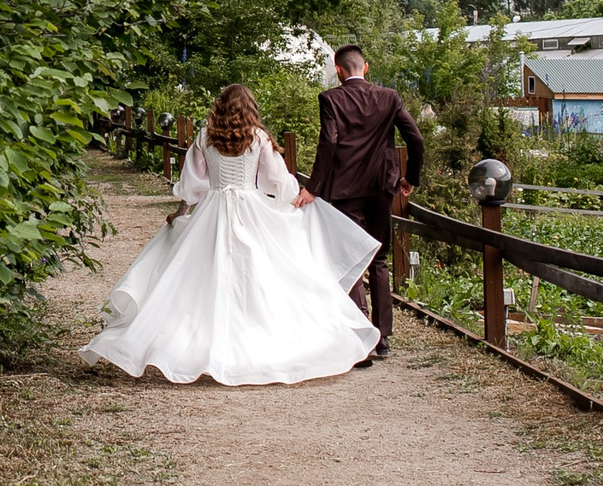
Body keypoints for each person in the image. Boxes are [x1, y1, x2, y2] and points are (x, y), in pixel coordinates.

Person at [81, 84, 381, 385]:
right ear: (250, 107)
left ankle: (199, 337)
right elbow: (275, 179)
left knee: (204, 274)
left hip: (213, 207)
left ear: (219, 106)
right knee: (258, 271)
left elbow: (191, 184)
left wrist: (181, 212)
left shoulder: (205, 136)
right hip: (250, 207)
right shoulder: (258, 137)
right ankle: (254, 332)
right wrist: (291, 197)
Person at [294, 43, 423, 361]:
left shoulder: (330, 98)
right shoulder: (389, 97)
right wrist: (410, 178)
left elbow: (329, 143)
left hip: (344, 191)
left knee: (351, 261)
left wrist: (313, 187)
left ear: (338, 70)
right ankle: (382, 337)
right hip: (382, 187)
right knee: (378, 259)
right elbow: (416, 139)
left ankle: (359, 337)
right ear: (365, 67)